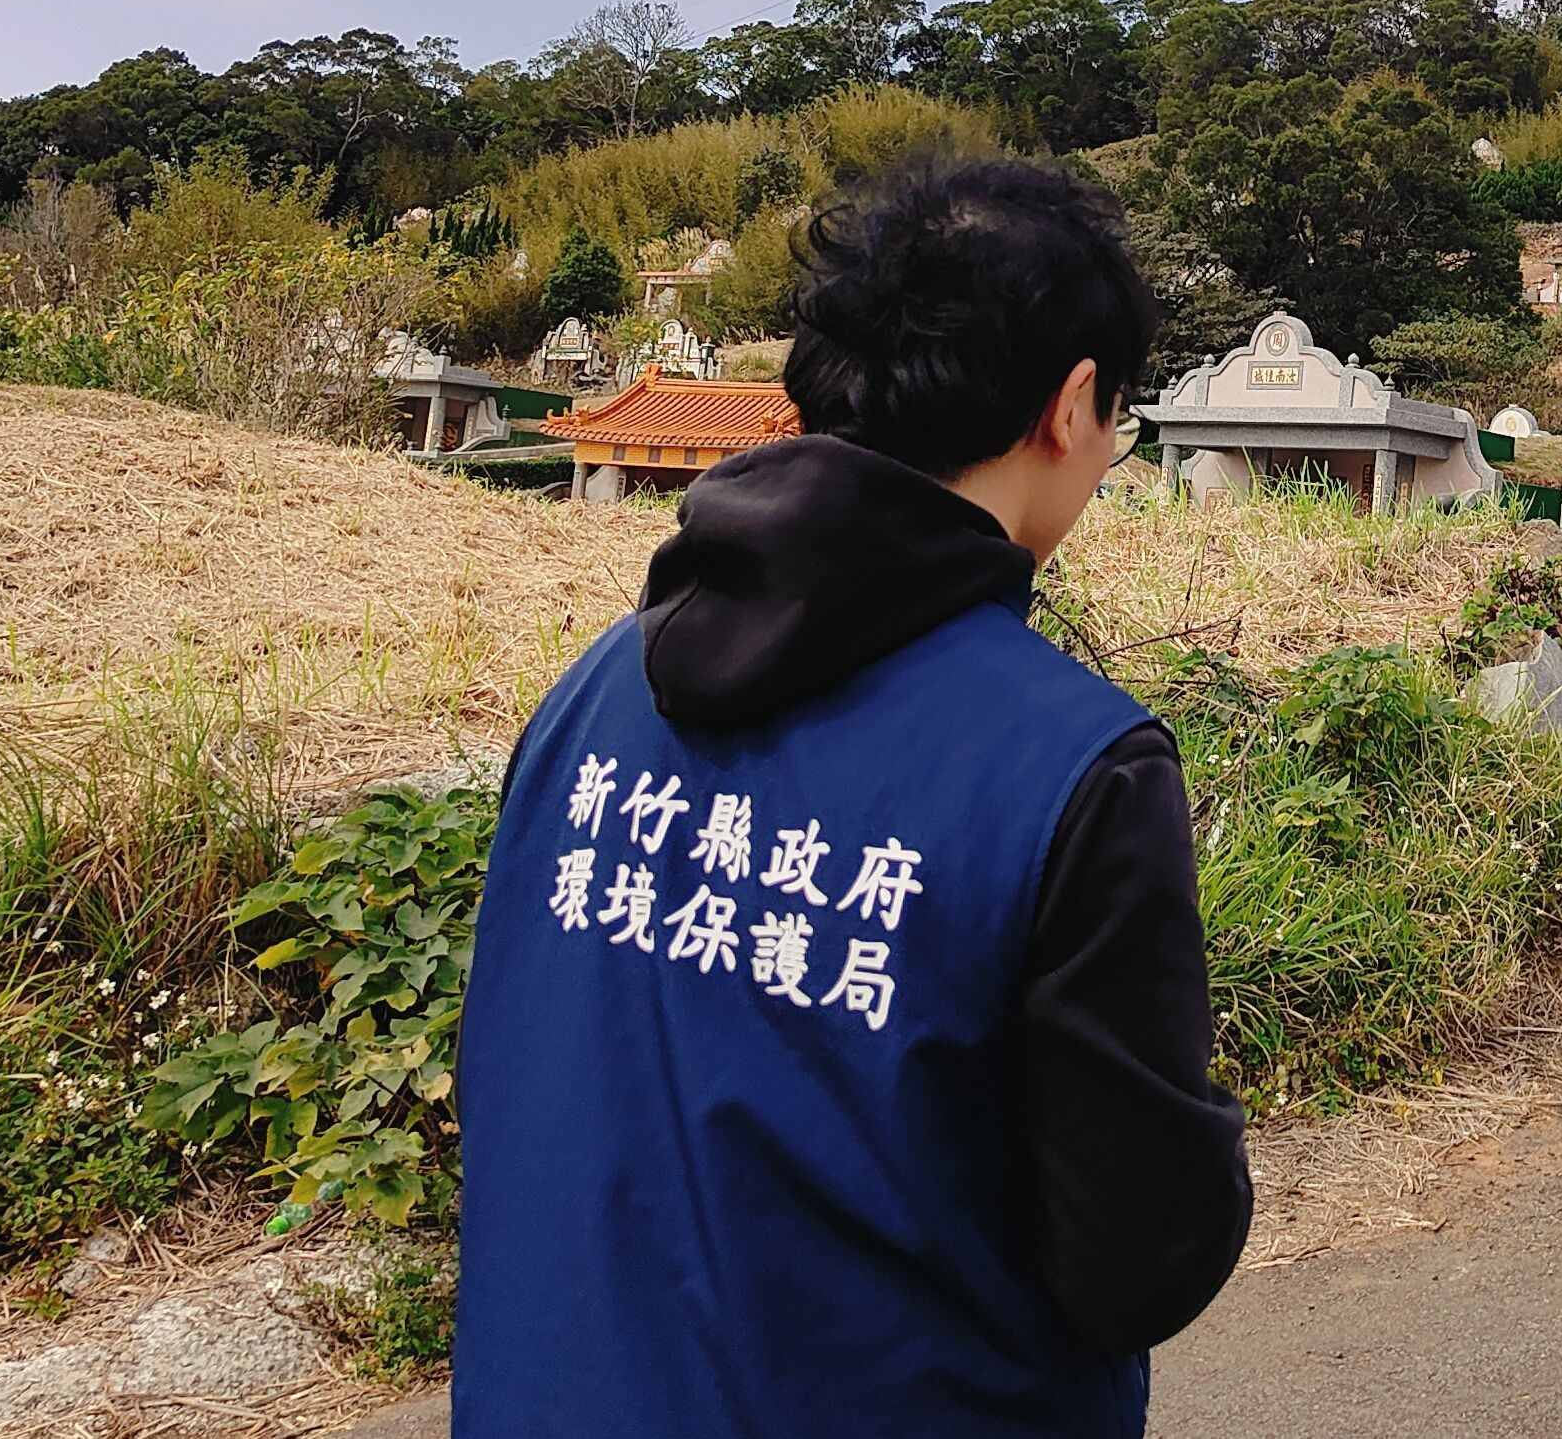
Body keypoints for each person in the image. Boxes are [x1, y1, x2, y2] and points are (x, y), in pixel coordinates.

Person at [454, 155, 1250, 1436]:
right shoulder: (1075, 763)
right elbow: (1140, 1257)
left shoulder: (595, 688)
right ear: (1071, 404)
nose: (1110, 454)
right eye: (1118, 419)